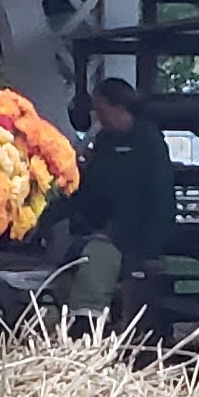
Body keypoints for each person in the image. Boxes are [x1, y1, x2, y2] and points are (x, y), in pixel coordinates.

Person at [75, 78, 177, 317]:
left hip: (135, 238)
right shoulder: (103, 141)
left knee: (97, 261)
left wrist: (150, 250)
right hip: (102, 231)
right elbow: (89, 189)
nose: (97, 117)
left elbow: (161, 199)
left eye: (101, 110)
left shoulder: (149, 141)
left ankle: (89, 319)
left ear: (119, 107)